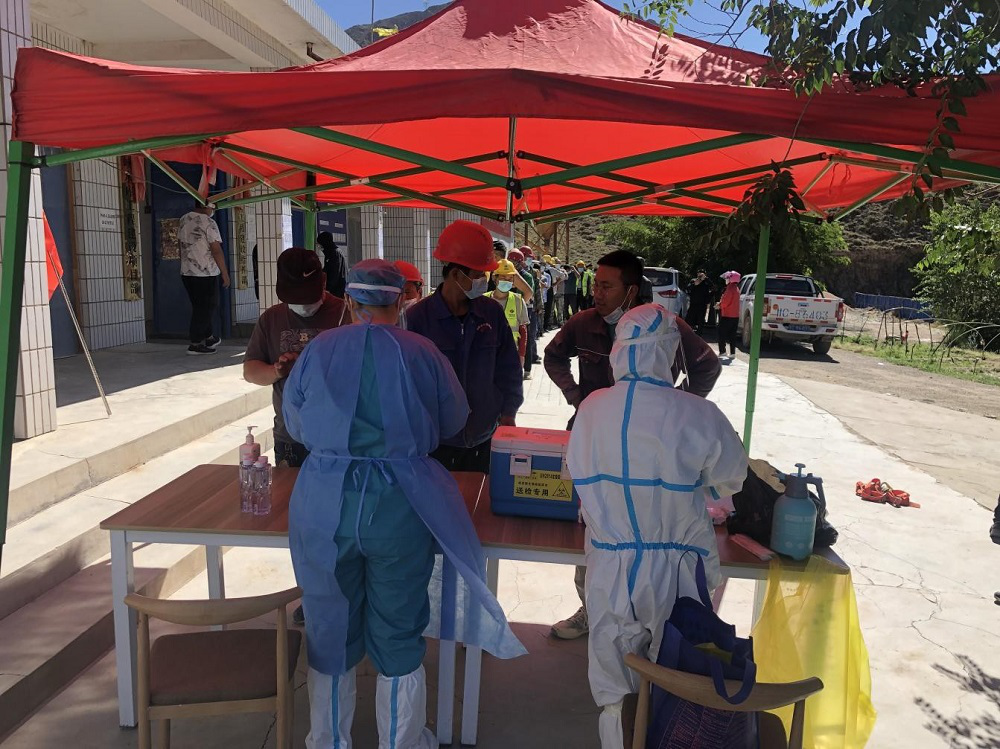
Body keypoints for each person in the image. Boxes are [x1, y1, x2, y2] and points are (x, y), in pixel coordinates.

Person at [285, 259, 525, 749]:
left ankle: (328, 740)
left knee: (328, 627)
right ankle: (403, 740)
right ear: (401, 300)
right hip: (400, 502)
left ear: (349, 300)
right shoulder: (422, 351)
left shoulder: (319, 350)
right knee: (398, 630)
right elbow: (454, 419)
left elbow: (295, 422)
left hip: (325, 502)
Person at [567, 303, 748, 749]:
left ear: (618, 352)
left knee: (614, 682)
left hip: (611, 566)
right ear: (669, 353)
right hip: (680, 570)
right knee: (678, 676)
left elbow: (574, 473)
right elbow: (731, 479)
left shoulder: (592, 408)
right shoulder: (699, 412)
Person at [544, 249, 722, 640]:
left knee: (650, 529)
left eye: (607, 286)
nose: (597, 293)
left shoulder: (665, 327)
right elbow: (553, 356)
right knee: (596, 524)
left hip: (650, 449)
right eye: (596, 285)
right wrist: (577, 397)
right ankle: (592, 607)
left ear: (632, 289)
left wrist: (680, 408)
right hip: (598, 443)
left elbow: (708, 365)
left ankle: (653, 621)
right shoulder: (583, 323)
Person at [406, 220, 524, 473]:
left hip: (484, 436)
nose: (484, 281)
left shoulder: (491, 313)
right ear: (456, 275)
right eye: (479, 275)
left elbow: (509, 368)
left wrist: (509, 413)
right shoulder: (418, 319)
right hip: (434, 443)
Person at [244, 247, 348, 469]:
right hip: (290, 437)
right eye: (294, 297)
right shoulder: (271, 319)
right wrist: (277, 371)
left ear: (323, 281)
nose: (302, 304)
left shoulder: (346, 314)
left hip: (339, 436)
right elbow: (251, 371)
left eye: (307, 296)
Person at [178, 201, 230, 355]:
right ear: (206, 206)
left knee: (200, 306)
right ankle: (195, 343)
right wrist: (225, 273)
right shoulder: (209, 222)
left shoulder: (184, 219)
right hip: (205, 272)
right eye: (213, 207)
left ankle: (209, 337)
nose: (213, 210)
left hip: (187, 271)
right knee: (207, 307)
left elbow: (179, 244)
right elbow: (216, 250)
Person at [487, 259, 530, 370]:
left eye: (510, 278)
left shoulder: (518, 300)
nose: (507, 281)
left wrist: (521, 356)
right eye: (503, 277)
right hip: (487, 354)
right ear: (494, 278)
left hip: (511, 355)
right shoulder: (484, 300)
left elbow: (523, 330)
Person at [716, 270, 742, 359]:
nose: (726, 279)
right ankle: (732, 352)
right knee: (732, 335)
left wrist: (719, 305)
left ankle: (722, 351)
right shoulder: (736, 288)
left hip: (727, 315)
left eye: (727, 278)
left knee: (721, 333)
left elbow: (726, 302)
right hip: (735, 316)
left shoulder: (730, 289)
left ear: (731, 279)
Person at [317, 231, 347, 298]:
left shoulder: (334, 253)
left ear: (325, 243)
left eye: (320, 244)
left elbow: (335, 272)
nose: (319, 246)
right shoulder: (330, 252)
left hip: (337, 290)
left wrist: (328, 288)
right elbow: (327, 269)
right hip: (336, 288)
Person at [685, 269, 714, 334]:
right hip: (693, 304)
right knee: (689, 320)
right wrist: (695, 283)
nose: (700, 275)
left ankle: (699, 334)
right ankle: (688, 333)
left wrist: (706, 279)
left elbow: (713, 288)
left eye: (702, 273)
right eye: (699, 273)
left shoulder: (706, 282)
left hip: (702, 305)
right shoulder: (693, 280)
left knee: (700, 321)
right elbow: (688, 288)